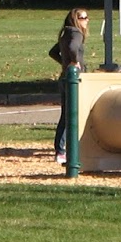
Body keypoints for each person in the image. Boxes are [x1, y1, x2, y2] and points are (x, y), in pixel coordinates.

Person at [51, 9, 88, 163]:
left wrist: (65, 64)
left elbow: (53, 52)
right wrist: (75, 63)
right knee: (73, 115)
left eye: (87, 17)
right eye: (83, 18)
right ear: (75, 19)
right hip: (74, 79)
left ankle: (61, 149)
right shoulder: (76, 33)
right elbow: (73, 47)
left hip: (64, 77)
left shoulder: (65, 33)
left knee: (66, 115)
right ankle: (64, 150)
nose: (86, 20)